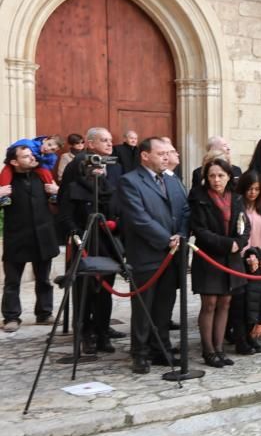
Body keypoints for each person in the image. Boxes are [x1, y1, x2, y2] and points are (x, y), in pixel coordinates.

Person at [116, 137, 190, 373]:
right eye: (161, 154)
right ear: (145, 156)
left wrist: (181, 234)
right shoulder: (130, 181)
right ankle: (140, 353)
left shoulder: (172, 180)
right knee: (143, 307)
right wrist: (166, 239)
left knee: (164, 306)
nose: (166, 158)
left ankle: (161, 349)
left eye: (168, 153)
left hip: (173, 254)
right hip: (147, 255)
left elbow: (185, 211)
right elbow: (138, 218)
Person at [56, 127, 123, 355]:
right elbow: (66, 206)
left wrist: (116, 224)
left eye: (110, 140)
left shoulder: (112, 172)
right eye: (104, 140)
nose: (109, 144)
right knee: (84, 290)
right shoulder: (77, 170)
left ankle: (103, 332)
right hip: (83, 238)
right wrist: (74, 233)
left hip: (106, 240)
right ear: (90, 144)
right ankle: (84, 333)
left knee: (105, 289)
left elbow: (116, 203)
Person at [188, 157, 248, 368]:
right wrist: (226, 244)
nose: (216, 180)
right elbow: (200, 230)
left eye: (221, 175)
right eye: (212, 175)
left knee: (225, 302)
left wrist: (239, 243)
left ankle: (220, 348)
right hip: (209, 257)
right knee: (210, 303)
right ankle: (208, 350)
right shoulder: (199, 197)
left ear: (229, 176)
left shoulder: (237, 198)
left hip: (231, 258)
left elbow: (244, 225)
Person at [1, 145, 59, 332]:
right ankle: (11, 317)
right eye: (26, 156)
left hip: (43, 236)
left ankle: (44, 314)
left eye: (32, 155)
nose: (32, 158)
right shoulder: (5, 182)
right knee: (12, 282)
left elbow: (60, 202)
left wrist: (57, 191)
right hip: (17, 237)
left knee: (44, 280)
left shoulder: (42, 176)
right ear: (14, 162)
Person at [232, 170, 261, 354]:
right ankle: (241, 338)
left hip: (260, 258)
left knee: (257, 299)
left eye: (257, 189)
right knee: (241, 301)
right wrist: (246, 255)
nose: (253, 193)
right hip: (242, 259)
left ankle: (251, 335)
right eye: (250, 188)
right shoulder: (237, 206)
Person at [0, 135, 62, 206]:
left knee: (45, 172)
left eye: (53, 150)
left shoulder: (51, 157)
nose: (48, 149)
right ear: (45, 140)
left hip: (37, 167)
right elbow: (12, 150)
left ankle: (52, 194)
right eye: (49, 144)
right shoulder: (29, 144)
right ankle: (4, 196)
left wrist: (39, 163)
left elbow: (49, 167)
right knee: (6, 171)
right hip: (15, 164)